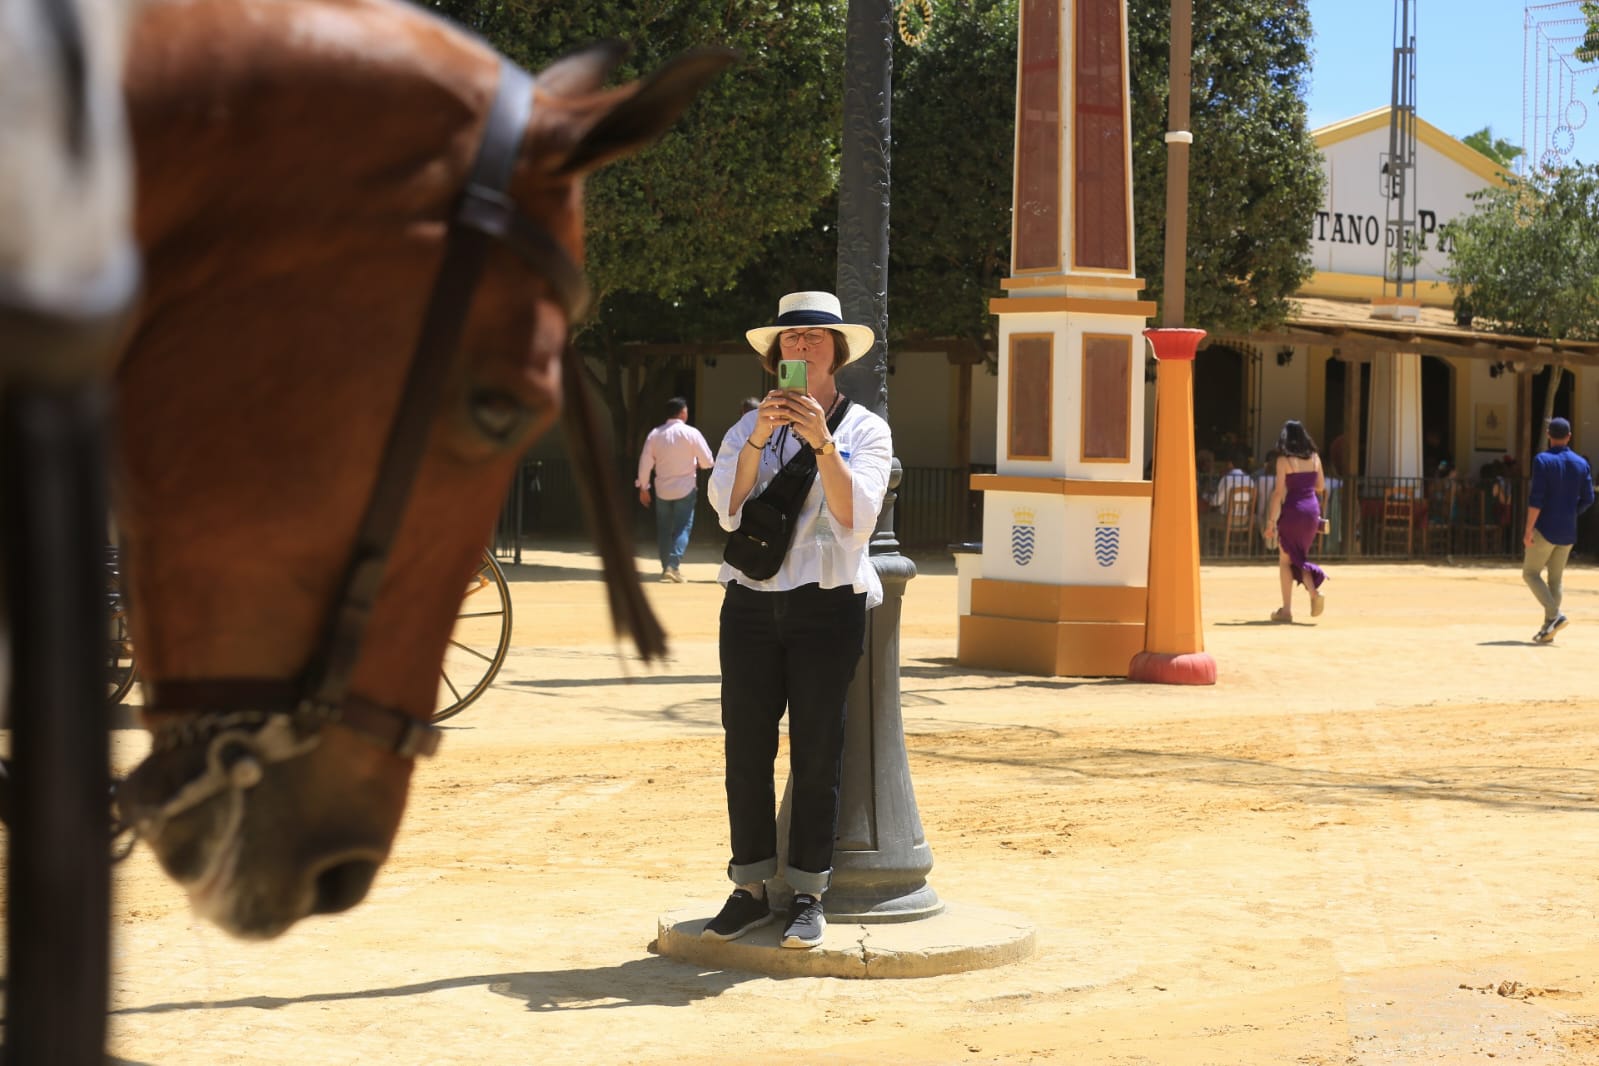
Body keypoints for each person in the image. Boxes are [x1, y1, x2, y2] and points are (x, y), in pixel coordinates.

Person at [702, 291, 892, 950]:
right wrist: (758, 437)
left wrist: (820, 444)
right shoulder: (742, 429)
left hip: (827, 602)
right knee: (744, 747)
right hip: (751, 601)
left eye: (814, 337)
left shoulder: (863, 429)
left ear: (835, 351)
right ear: (773, 357)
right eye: (789, 340)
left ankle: (809, 891)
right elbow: (727, 510)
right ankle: (749, 885)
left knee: (817, 751)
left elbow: (854, 519)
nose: (801, 347)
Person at [1522, 416, 1593, 643]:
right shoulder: (1582, 463)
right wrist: (1572, 513)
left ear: (1548, 436)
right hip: (1568, 530)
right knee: (1556, 579)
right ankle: (1547, 630)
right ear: (1569, 436)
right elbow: (1589, 498)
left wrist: (1528, 529)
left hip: (1545, 528)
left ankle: (1555, 616)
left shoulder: (1542, 460)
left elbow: (1537, 500)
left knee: (1530, 573)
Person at [635, 396, 715, 583]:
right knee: (682, 527)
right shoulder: (691, 433)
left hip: (662, 488)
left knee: (664, 529)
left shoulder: (655, 434)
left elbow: (645, 462)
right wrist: (695, 463)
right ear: (682, 412)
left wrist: (643, 487)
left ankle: (666, 568)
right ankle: (673, 565)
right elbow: (708, 461)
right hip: (685, 487)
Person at [1262, 420, 1328, 622]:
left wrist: (1271, 523)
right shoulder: (1316, 458)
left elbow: (1278, 493)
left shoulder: (1284, 461)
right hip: (1311, 511)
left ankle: (1287, 610)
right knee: (1298, 557)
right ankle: (1313, 594)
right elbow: (1320, 486)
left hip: (1293, 511)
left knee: (1285, 560)